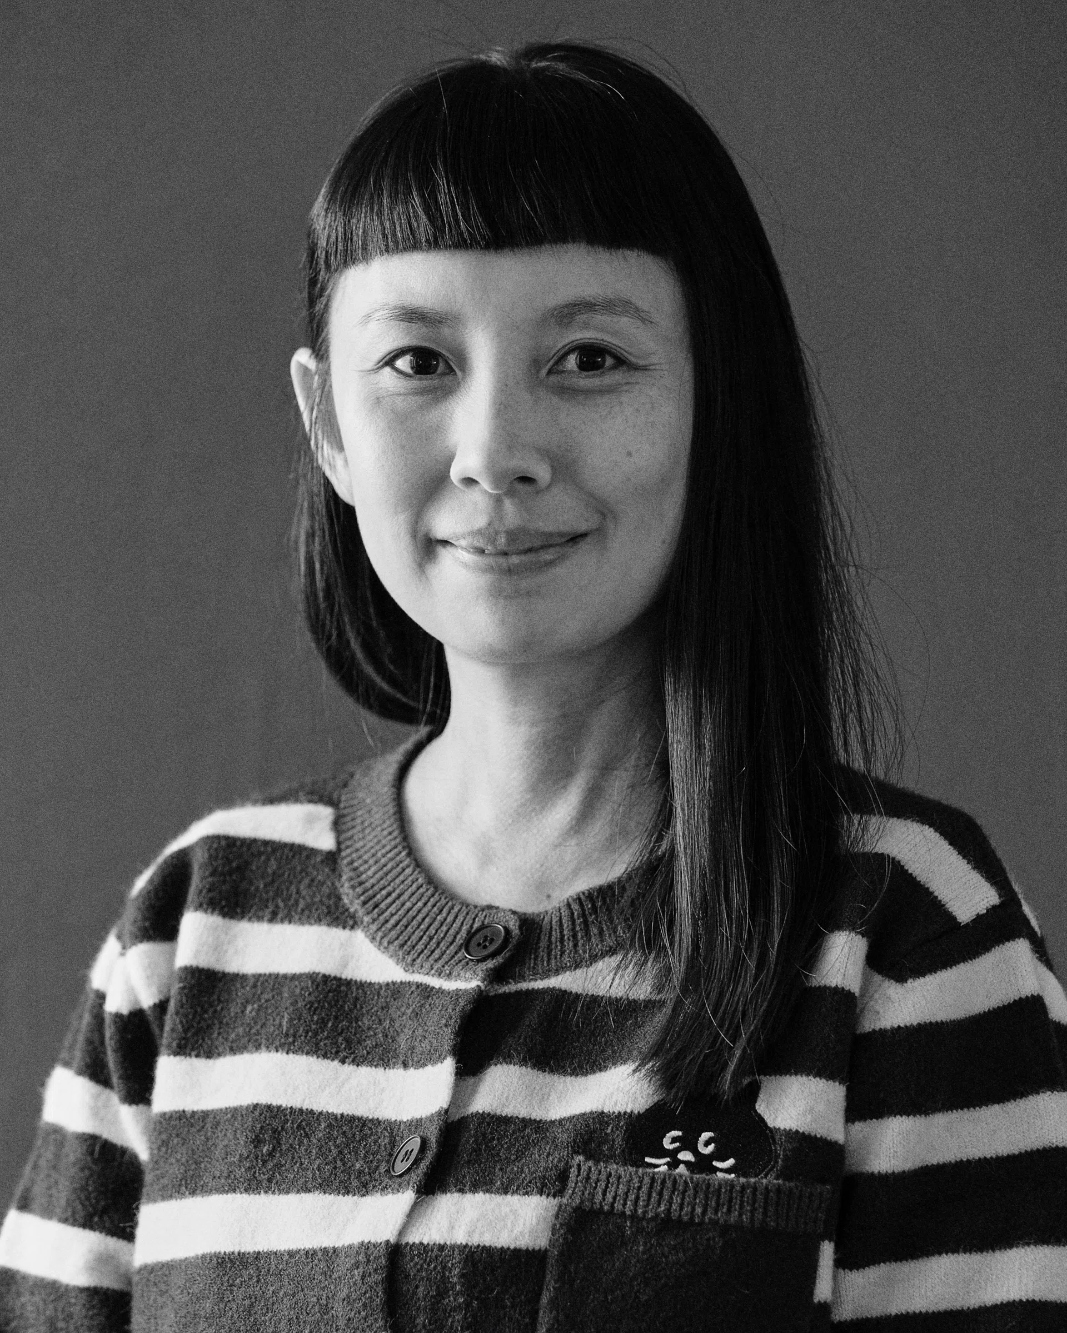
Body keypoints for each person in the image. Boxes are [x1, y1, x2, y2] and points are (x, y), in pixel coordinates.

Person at [1, 41, 1064, 1333]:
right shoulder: (191, 928)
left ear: (719, 401)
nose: (496, 451)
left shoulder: (909, 933)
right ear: (328, 424)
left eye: (589, 359)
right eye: (418, 362)